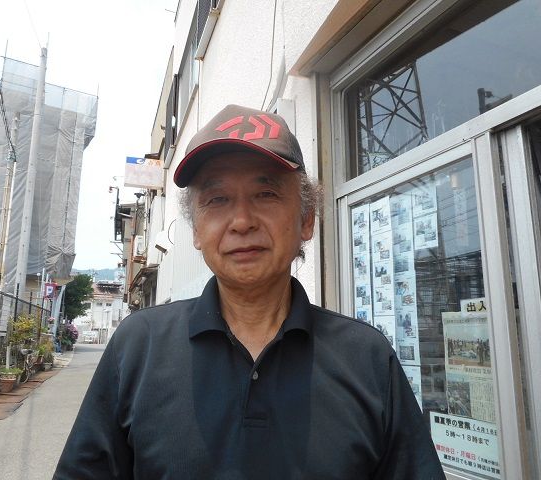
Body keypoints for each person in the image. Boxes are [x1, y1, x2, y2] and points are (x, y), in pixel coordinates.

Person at [54, 105, 445, 479]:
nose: (241, 221)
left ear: (306, 219)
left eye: (266, 194)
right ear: (196, 230)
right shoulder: (138, 346)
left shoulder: (367, 358)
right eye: (217, 199)